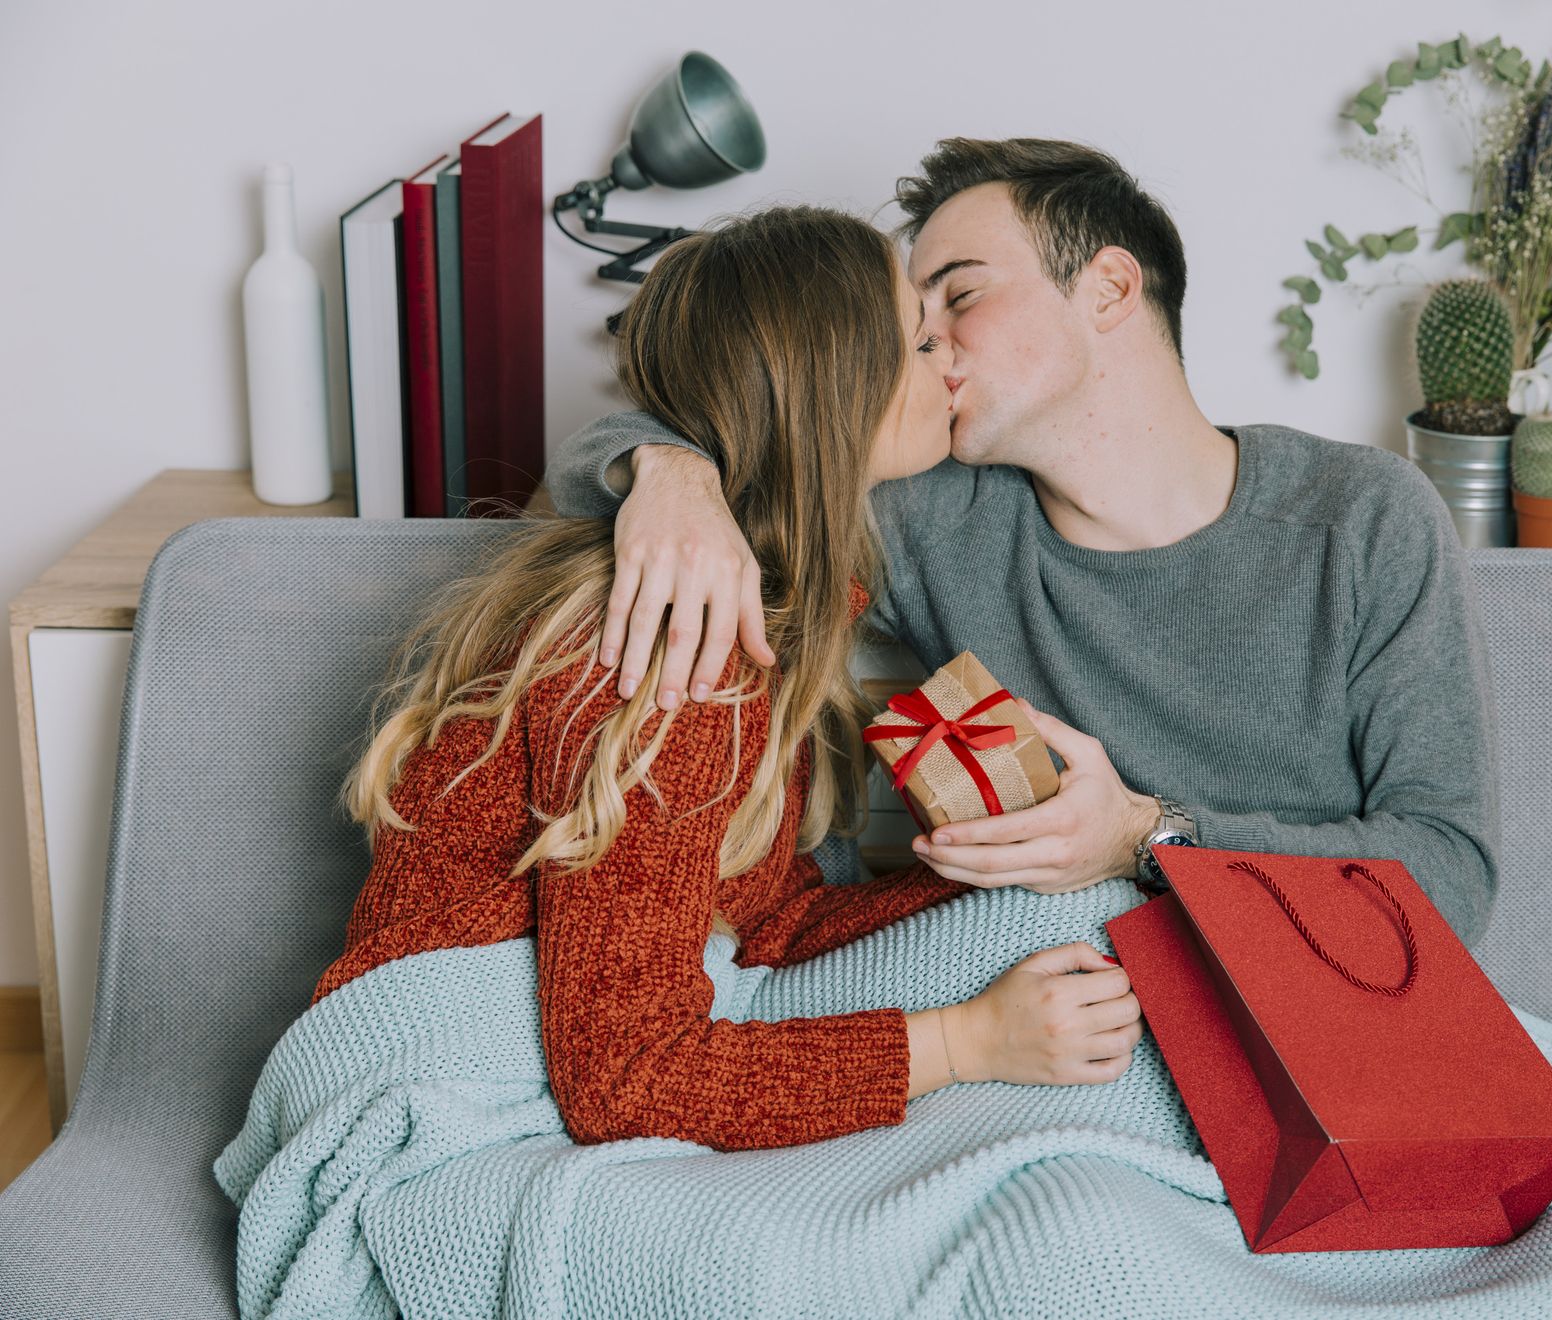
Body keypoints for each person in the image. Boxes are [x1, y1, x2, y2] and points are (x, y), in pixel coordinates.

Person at [312, 204, 1145, 1153]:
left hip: (589, 1046)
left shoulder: (773, 606)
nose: (950, 353)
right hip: (440, 1092)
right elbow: (626, 1082)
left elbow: (763, 923)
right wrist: (967, 1042)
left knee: (1082, 917)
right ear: (836, 394)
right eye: (921, 341)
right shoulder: (682, 663)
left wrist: (996, 869)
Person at [548, 137, 1504, 943]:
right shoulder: (928, 514)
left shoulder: (1362, 517)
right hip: (1067, 1010)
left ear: (1110, 288)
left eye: (958, 296)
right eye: (914, 318)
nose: (924, 345)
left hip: (1332, 1006)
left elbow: (1451, 878)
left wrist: (1145, 837)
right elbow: (742, 425)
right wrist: (668, 474)